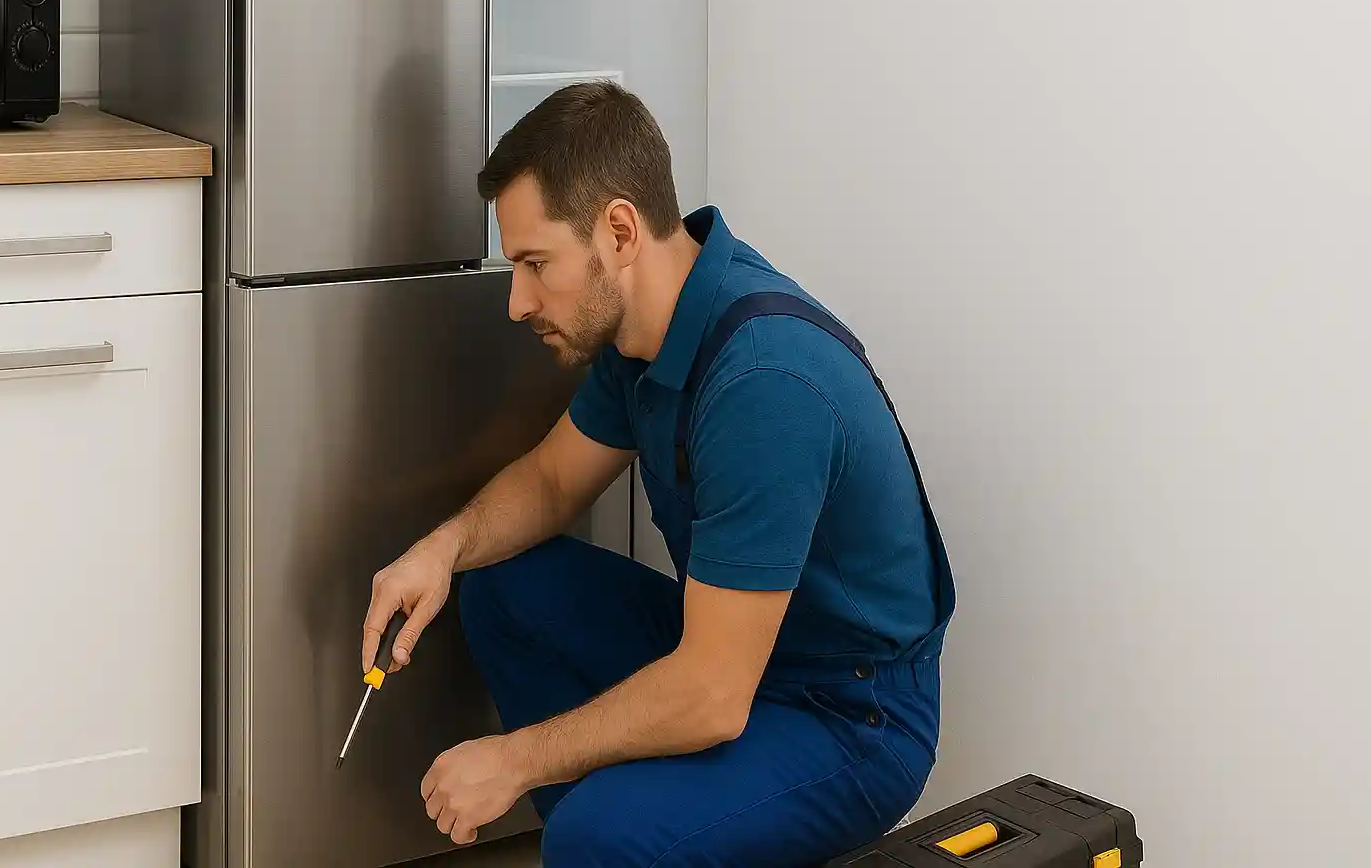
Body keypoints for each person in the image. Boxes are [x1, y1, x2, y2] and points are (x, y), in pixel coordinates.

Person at [360, 81, 955, 867]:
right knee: (501, 582)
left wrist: (514, 760)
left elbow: (711, 694)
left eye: (536, 264)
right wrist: (440, 551)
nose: (517, 302)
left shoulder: (764, 383)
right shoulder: (649, 330)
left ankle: (616, 837)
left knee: (595, 836)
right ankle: (639, 831)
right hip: (735, 650)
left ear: (619, 231)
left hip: (847, 713)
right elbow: (551, 483)